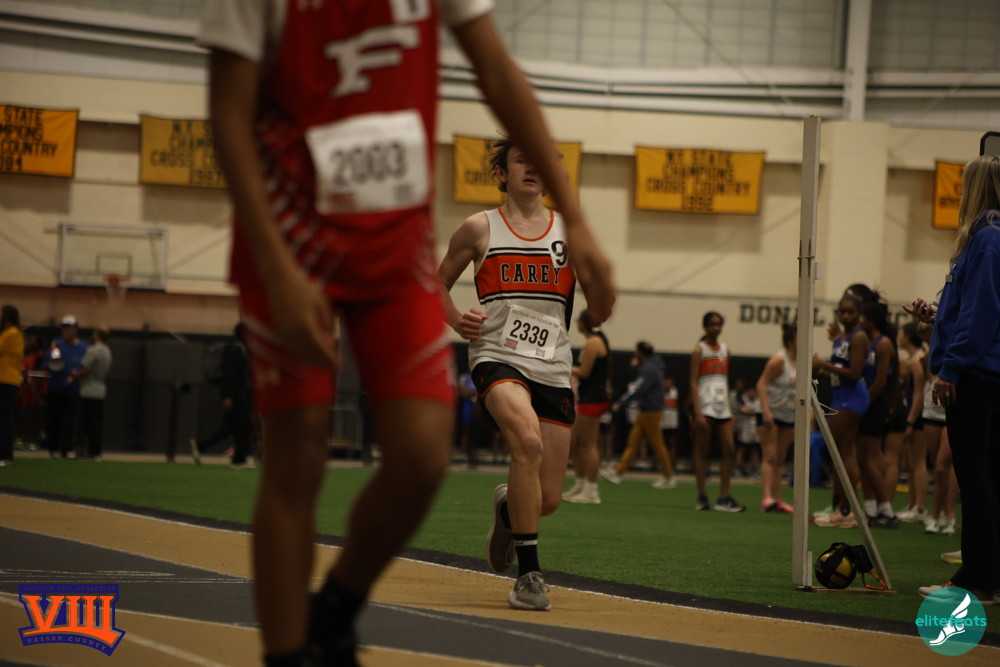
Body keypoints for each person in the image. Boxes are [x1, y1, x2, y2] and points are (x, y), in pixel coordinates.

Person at [201, 2, 614, 663]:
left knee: (424, 455)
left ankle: (335, 608)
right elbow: (227, 110)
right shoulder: (479, 226)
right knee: (295, 459)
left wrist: (581, 222)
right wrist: (275, 266)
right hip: (292, 239)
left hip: (395, 245)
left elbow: (498, 72)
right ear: (500, 171)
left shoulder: (555, 227)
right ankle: (289, 652)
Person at [440, 131, 613, 612]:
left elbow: (601, 306)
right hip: (497, 355)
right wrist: (456, 320)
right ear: (501, 173)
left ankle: (507, 509)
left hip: (553, 365)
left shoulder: (569, 231)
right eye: (521, 160)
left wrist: (603, 283)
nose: (532, 167)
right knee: (528, 442)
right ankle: (529, 577)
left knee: (548, 499)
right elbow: (434, 283)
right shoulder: (479, 228)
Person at [917, 154, 1000, 604]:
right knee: (987, 478)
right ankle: (989, 575)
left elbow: (981, 313)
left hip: (976, 375)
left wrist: (950, 367)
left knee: (975, 478)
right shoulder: (989, 239)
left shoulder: (986, 238)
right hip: (985, 370)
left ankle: (978, 578)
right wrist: (938, 316)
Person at [812, 294, 869, 527]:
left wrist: (823, 364)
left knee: (844, 454)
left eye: (850, 312)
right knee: (839, 453)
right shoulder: (843, 337)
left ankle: (847, 510)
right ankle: (839, 506)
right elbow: (840, 367)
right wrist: (826, 369)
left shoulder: (858, 336)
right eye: (841, 312)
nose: (845, 316)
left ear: (858, 314)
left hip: (851, 398)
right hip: (839, 397)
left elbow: (855, 373)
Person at [600, 341, 676, 489]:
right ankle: (618, 473)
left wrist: (621, 403)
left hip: (651, 412)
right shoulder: (653, 366)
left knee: (657, 444)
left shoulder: (649, 369)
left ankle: (669, 477)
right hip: (645, 410)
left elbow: (639, 389)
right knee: (633, 443)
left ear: (640, 352)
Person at [690, 312, 745, 512]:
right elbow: (693, 382)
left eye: (719, 324)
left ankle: (724, 496)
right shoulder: (699, 350)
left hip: (723, 407)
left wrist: (730, 406)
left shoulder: (724, 350)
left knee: (729, 449)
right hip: (705, 405)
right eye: (713, 324)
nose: (716, 328)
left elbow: (724, 380)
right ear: (705, 326)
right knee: (702, 450)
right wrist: (697, 412)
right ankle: (702, 495)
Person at [856, 300, 899, 529]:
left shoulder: (883, 343)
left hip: (875, 403)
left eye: (862, 316)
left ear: (870, 320)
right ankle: (871, 508)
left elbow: (881, 381)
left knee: (869, 457)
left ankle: (886, 509)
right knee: (863, 458)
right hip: (866, 401)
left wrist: (864, 402)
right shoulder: (868, 341)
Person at [564, 309, 611, 505]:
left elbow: (584, 372)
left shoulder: (594, 342)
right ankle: (581, 484)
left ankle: (592, 490)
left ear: (585, 322)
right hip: (587, 397)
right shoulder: (592, 341)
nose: (577, 323)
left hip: (594, 398)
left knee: (588, 444)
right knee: (575, 442)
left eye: (579, 321)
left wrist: (562, 365)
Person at [191, 323, 254, 468]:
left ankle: (202, 446)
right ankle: (239, 459)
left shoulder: (240, 349)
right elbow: (229, 375)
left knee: (232, 426)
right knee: (242, 426)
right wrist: (227, 396)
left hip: (238, 394)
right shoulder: (236, 350)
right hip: (236, 395)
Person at [755, 323, 797, 513]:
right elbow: (761, 384)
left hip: (788, 414)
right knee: (770, 456)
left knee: (780, 458)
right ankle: (767, 497)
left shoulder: (802, 361)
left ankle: (778, 498)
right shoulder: (778, 361)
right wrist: (766, 411)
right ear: (790, 341)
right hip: (770, 413)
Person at [894, 322, 929, 523]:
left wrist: (910, 421)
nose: (898, 337)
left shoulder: (917, 360)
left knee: (918, 461)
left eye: (900, 334)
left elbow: (919, 395)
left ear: (907, 336)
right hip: (912, 414)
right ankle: (912, 504)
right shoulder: (911, 360)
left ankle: (921, 507)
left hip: (918, 416)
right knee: (910, 463)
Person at [45, 315, 87, 459]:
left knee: (68, 421)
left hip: (72, 391)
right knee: (53, 419)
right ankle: (53, 448)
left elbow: (86, 367)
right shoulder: (57, 344)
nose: (66, 331)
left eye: (69, 328)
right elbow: (48, 361)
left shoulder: (83, 348)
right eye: (64, 328)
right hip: (56, 388)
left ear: (75, 330)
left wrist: (77, 375)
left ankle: (65, 449)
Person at [74, 327, 112, 461]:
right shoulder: (107, 351)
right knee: (96, 424)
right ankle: (95, 451)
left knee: (85, 423)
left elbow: (86, 368)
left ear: (97, 336)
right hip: (100, 390)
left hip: (89, 389)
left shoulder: (94, 350)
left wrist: (75, 376)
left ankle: (82, 449)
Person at [0, 305, 24, 466]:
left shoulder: (12, 333)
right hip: (4, 378)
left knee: (4, 418)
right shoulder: (8, 333)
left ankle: (5, 454)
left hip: (6, 379)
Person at [660, 376, 681, 468]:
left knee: (673, 444)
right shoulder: (659, 392)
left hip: (673, 423)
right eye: (666, 382)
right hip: (662, 423)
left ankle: (672, 463)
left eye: (670, 383)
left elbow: (671, 403)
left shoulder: (674, 391)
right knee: (661, 443)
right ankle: (661, 462)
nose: (668, 384)